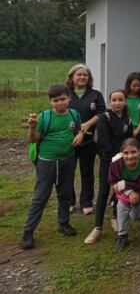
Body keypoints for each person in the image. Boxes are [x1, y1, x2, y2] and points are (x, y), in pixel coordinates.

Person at [20, 84, 84, 250]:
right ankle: (28, 231)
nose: (60, 103)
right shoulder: (44, 117)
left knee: (65, 193)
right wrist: (32, 127)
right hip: (46, 161)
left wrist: (80, 134)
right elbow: (33, 140)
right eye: (55, 100)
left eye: (63, 99)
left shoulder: (74, 114)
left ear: (69, 98)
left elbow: (78, 130)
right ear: (50, 102)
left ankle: (64, 223)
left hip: (67, 160)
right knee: (41, 195)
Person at [85, 89, 134, 244]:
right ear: (110, 101)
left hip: (123, 161)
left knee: (119, 191)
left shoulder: (128, 120)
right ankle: (97, 227)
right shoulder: (104, 117)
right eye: (114, 100)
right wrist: (116, 156)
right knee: (104, 191)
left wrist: (126, 156)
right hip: (108, 160)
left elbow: (129, 141)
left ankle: (115, 218)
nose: (117, 103)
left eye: (120, 100)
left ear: (125, 101)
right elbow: (103, 141)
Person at [66, 63, 106, 215]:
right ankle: (69, 202)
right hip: (70, 139)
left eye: (85, 75)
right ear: (72, 77)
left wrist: (87, 125)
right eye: (79, 74)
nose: (82, 77)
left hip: (89, 140)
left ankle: (86, 202)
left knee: (87, 171)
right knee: (68, 171)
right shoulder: (66, 94)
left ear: (89, 78)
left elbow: (102, 112)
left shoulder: (95, 95)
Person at [108, 138, 140, 250]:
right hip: (123, 193)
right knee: (121, 211)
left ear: (139, 151)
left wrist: (123, 184)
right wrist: (128, 191)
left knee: (135, 216)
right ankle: (122, 236)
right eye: (126, 153)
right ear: (122, 153)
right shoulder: (115, 164)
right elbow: (112, 182)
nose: (130, 156)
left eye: (133, 152)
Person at [124, 72, 140, 148]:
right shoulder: (124, 98)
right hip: (126, 130)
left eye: (139, 86)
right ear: (129, 85)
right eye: (134, 85)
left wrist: (137, 131)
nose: (137, 88)